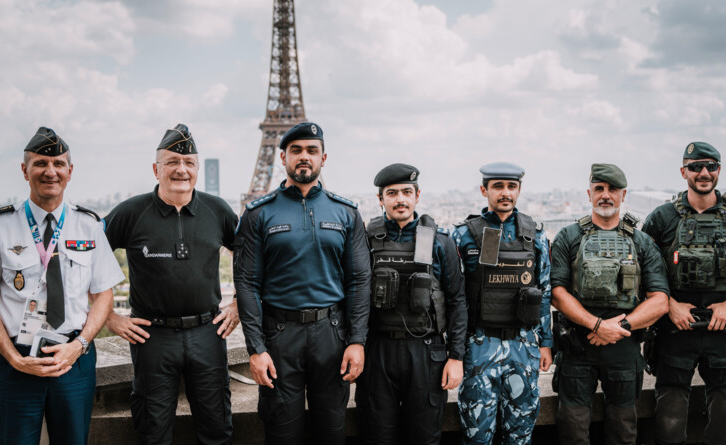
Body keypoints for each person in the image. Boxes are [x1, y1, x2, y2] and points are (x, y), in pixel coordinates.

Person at [0, 126, 124, 444]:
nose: (50, 172)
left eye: (58, 164)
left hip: (73, 358)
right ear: (25, 170)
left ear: (70, 171)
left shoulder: (88, 224)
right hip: (16, 360)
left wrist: (79, 346)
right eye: (40, 164)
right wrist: (13, 358)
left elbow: (104, 295)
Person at [233, 122, 371, 444]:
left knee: (332, 432)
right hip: (280, 337)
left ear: (324, 157)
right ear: (282, 157)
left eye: (312, 150)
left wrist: (357, 340)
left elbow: (359, 280)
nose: (304, 157)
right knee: (281, 433)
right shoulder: (258, 214)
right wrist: (256, 349)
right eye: (296, 150)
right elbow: (247, 283)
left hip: (331, 335)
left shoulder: (346, 212)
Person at [103, 124, 240, 444]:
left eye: (189, 162)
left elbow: (248, 256)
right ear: (156, 169)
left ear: (197, 168)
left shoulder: (217, 210)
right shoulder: (130, 212)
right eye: (172, 162)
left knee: (217, 428)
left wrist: (239, 304)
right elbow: (85, 259)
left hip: (208, 332)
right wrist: (109, 316)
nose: (181, 169)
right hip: (152, 336)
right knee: (153, 431)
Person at [550, 163, 669, 445]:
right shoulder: (569, 237)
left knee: (623, 429)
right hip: (578, 345)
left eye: (612, 189)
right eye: (599, 189)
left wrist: (620, 327)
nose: (606, 195)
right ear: (589, 193)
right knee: (572, 428)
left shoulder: (640, 242)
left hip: (624, 348)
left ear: (623, 194)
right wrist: (597, 325)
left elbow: (660, 300)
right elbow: (557, 292)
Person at [642, 142, 726, 445]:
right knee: (670, 417)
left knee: (725, 416)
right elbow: (643, 274)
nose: (704, 173)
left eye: (711, 166)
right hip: (675, 329)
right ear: (683, 171)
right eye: (695, 166)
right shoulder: (661, 218)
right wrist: (670, 306)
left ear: (719, 170)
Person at [355, 163, 467, 444]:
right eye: (392, 193)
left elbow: (457, 301)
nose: (400, 199)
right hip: (377, 351)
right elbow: (352, 296)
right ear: (381, 199)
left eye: (407, 192)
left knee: (424, 437)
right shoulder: (366, 241)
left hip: (427, 352)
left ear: (418, 196)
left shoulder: (439, 242)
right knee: (376, 436)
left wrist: (456, 357)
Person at [453, 162, 553, 444]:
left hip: (523, 346)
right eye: (498, 186)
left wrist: (545, 342)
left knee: (520, 434)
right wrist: (455, 351)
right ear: (484, 190)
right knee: (476, 434)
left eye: (511, 186)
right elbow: (455, 298)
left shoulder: (535, 234)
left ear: (519, 190)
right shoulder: (463, 235)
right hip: (480, 346)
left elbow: (544, 290)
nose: (505, 193)